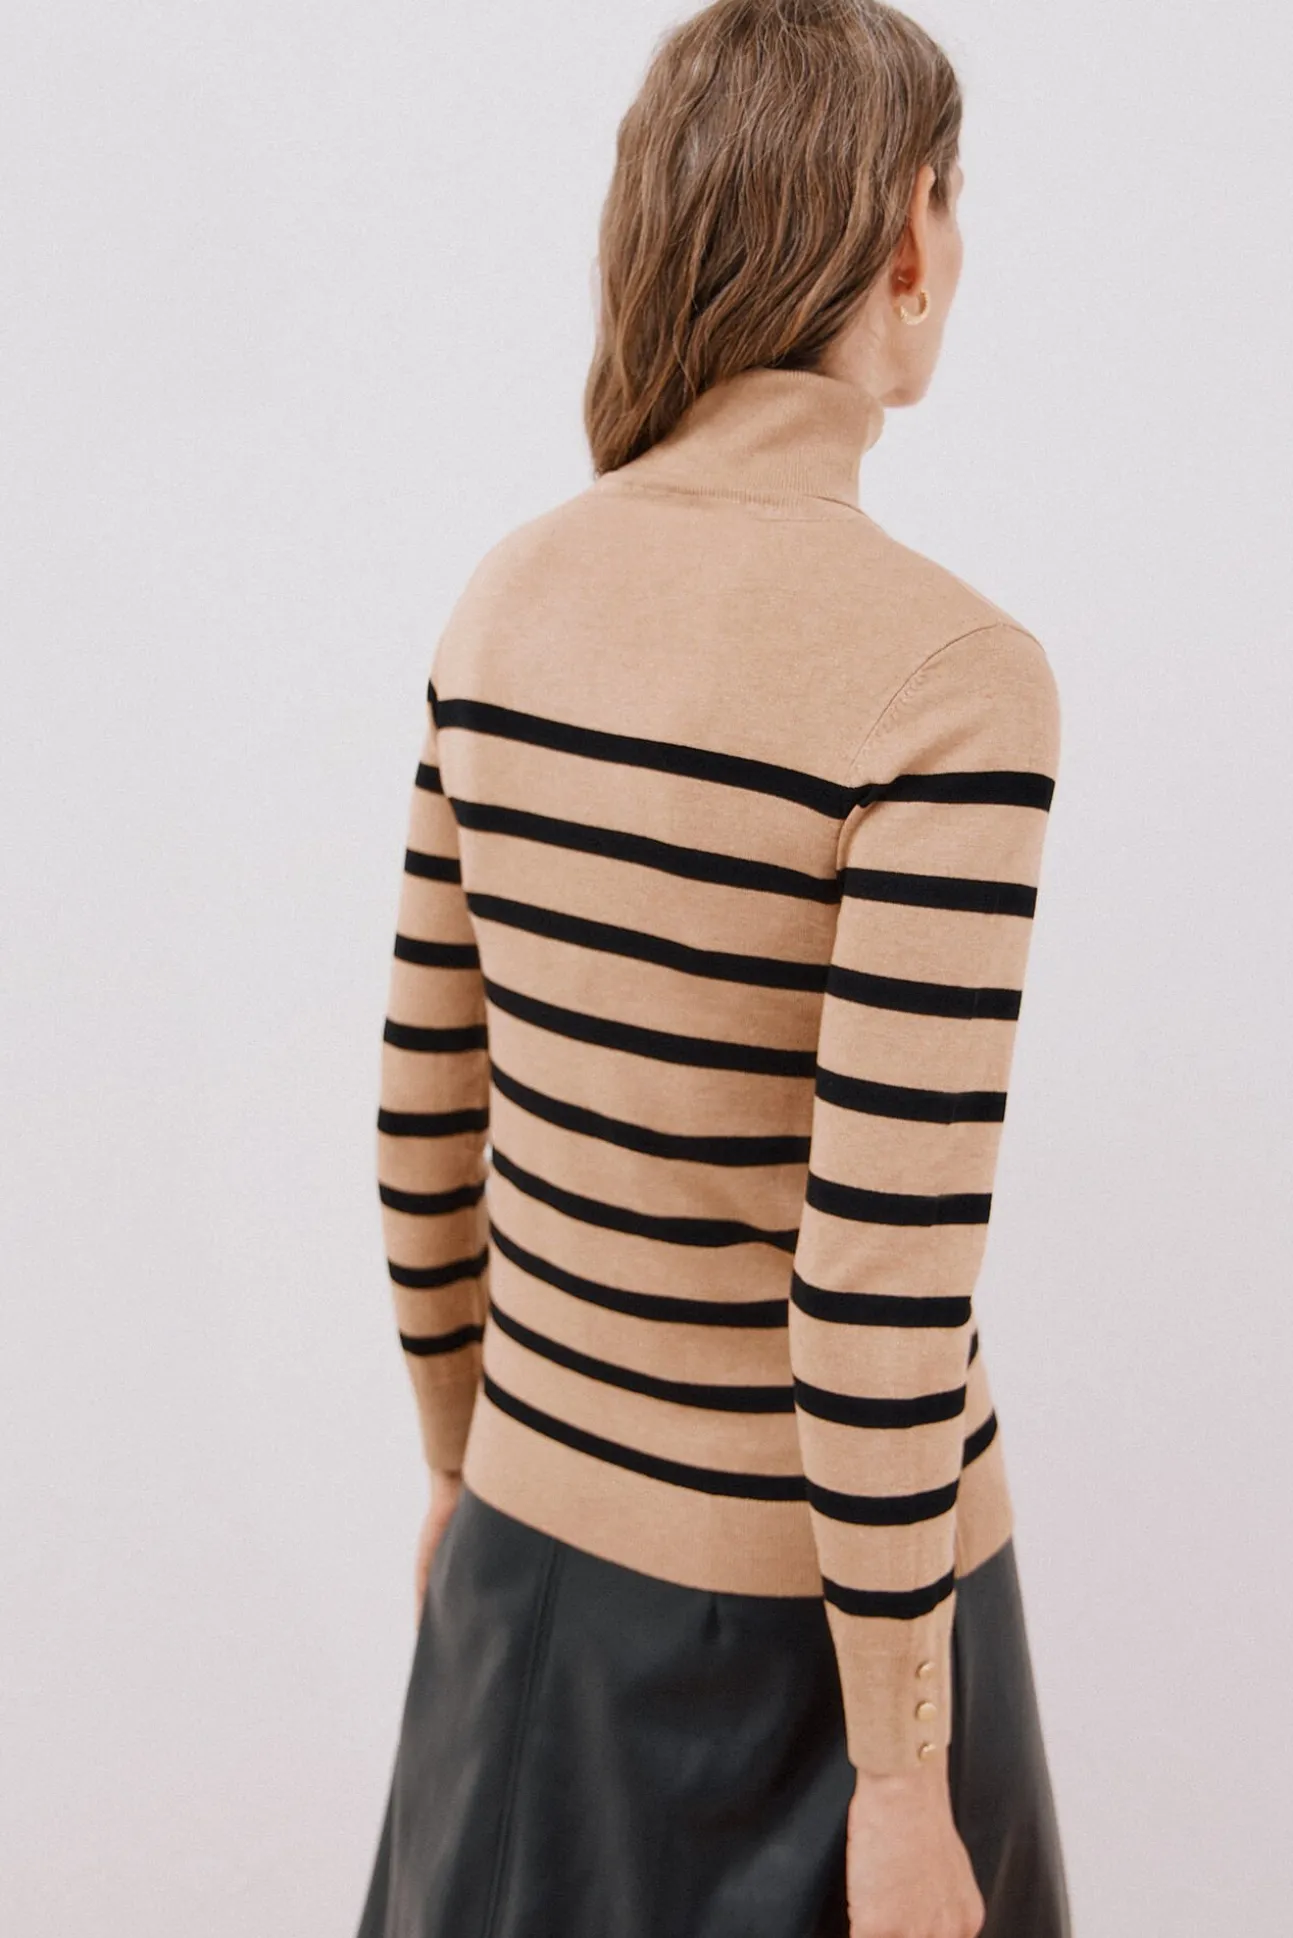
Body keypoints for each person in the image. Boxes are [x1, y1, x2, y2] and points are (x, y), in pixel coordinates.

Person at [355, 2, 1072, 1934]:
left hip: (522, 1569)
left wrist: (461, 1475)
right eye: (951, 208)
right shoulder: (951, 678)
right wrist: (904, 1776)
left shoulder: (507, 597)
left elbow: (424, 1127)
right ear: (904, 236)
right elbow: (878, 1285)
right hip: (817, 1655)